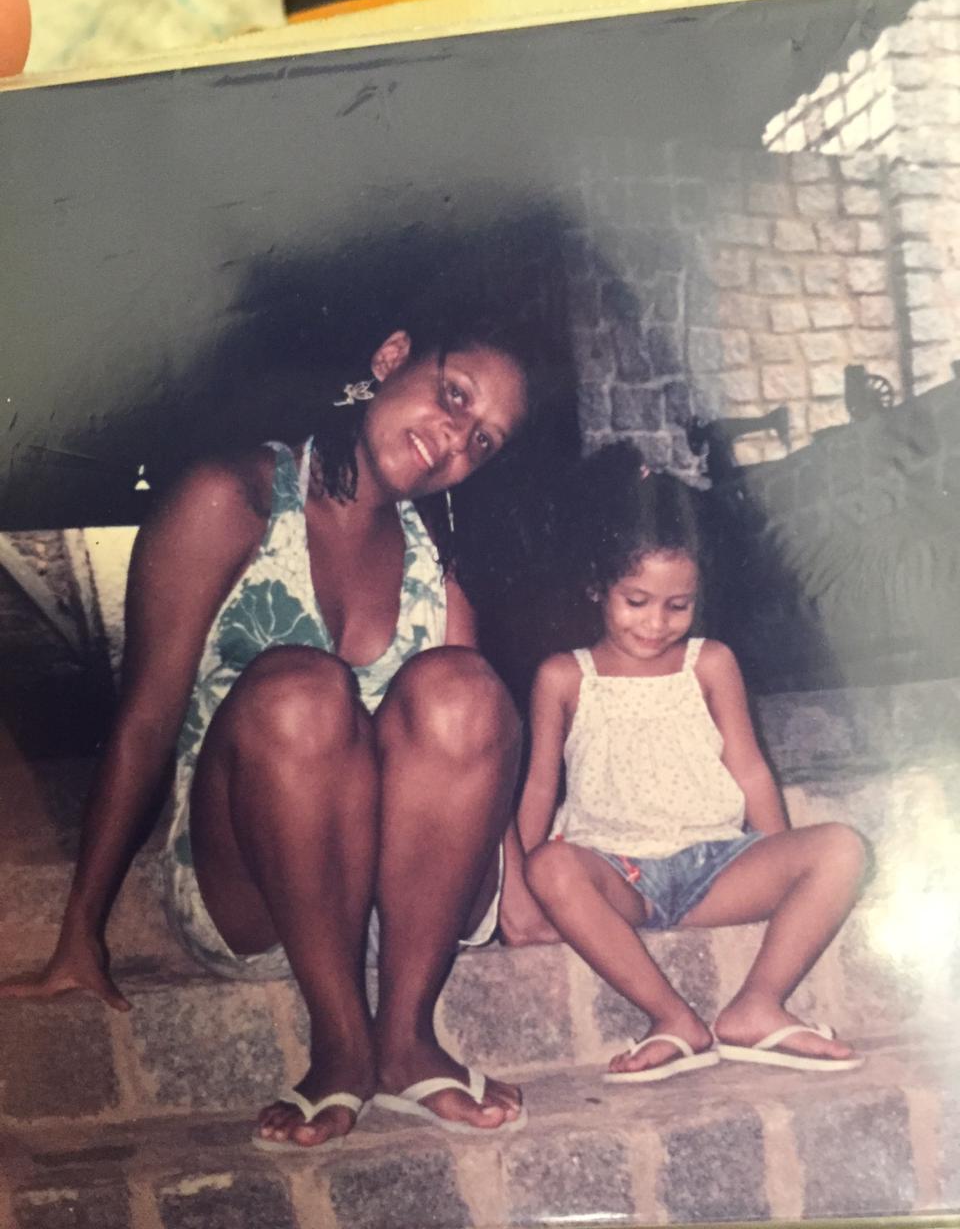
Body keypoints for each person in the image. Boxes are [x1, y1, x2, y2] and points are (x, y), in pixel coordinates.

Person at [0, 298, 570, 1147]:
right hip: (254, 892)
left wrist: (517, 895)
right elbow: (145, 722)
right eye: (455, 396)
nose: (456, 440)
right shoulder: (227, 499)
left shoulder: (437, 565)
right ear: (392, 357)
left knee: (466, 685)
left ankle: (406, 1039)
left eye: (483, 441)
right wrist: (80, 928)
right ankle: (341, 1043)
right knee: (301, 690)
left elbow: (474, 751)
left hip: (406, 906)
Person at [499, 442, 869, 1082]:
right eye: (636, 600)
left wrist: (777, 856)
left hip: (716, 869)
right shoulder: (564, 676)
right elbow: (537, 787)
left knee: (842, 847)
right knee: (553, 866)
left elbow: (749, 767)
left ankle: (756, 1006)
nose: (656, 623)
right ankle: (673, 1019)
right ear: (598, 587)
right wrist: (528, 887)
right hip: (619, 877)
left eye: (678, 605)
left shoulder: (711, 663)